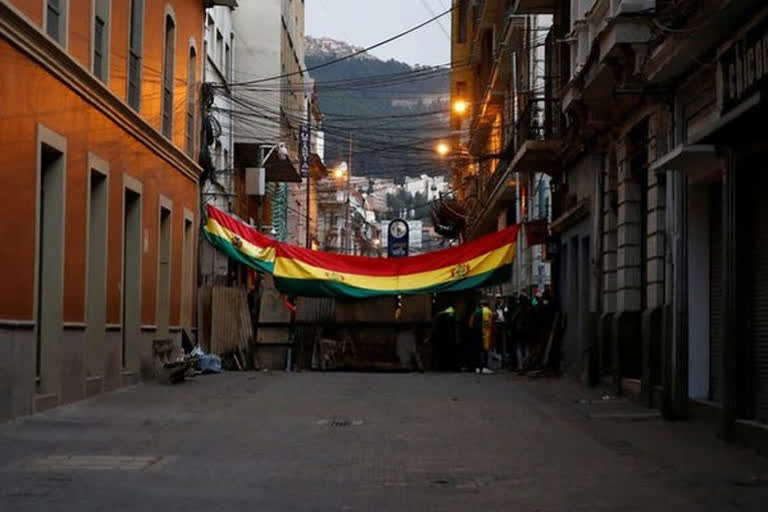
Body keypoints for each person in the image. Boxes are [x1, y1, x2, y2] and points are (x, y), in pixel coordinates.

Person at [470, 299, 495, 374]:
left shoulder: (475, 312)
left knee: (477, 351)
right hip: (485, 334)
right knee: (485, 351)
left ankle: (477, 367)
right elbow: (493, 318)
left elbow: (470, 324)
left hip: (476, 333)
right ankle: (484, 367)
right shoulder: (489, 311)